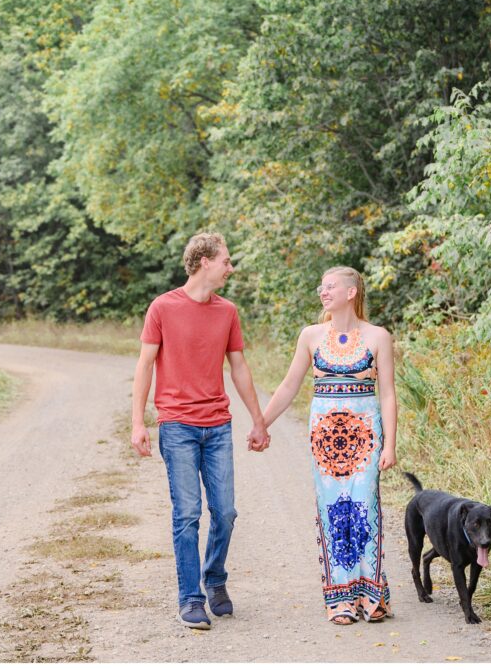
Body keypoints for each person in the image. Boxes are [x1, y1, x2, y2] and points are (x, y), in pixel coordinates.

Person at [131, 232, 271, 630]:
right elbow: (144, 365)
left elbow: (239, 368)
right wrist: (138, 421)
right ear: (204, 261)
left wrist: (258, 421)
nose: (231, 268)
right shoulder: (162, 308)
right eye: (226, 261)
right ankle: (190, 598)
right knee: (188, 514)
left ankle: (214, 579)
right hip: (176, 425)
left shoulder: (227, 311)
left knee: (225, 512)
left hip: (218, 425)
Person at [261, 266, 397, 625]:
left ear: (351, 292)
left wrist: (390, 444)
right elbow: (289, 385)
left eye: (330, 286)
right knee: (332, 510)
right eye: (321, 286)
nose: (323, 292)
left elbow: (387, 394)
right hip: (324, 438)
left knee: (364, 507)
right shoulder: (310, 335)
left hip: (366, 436)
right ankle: (339, 597)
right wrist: (262, 422)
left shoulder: (378, 336)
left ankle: (370, 594)